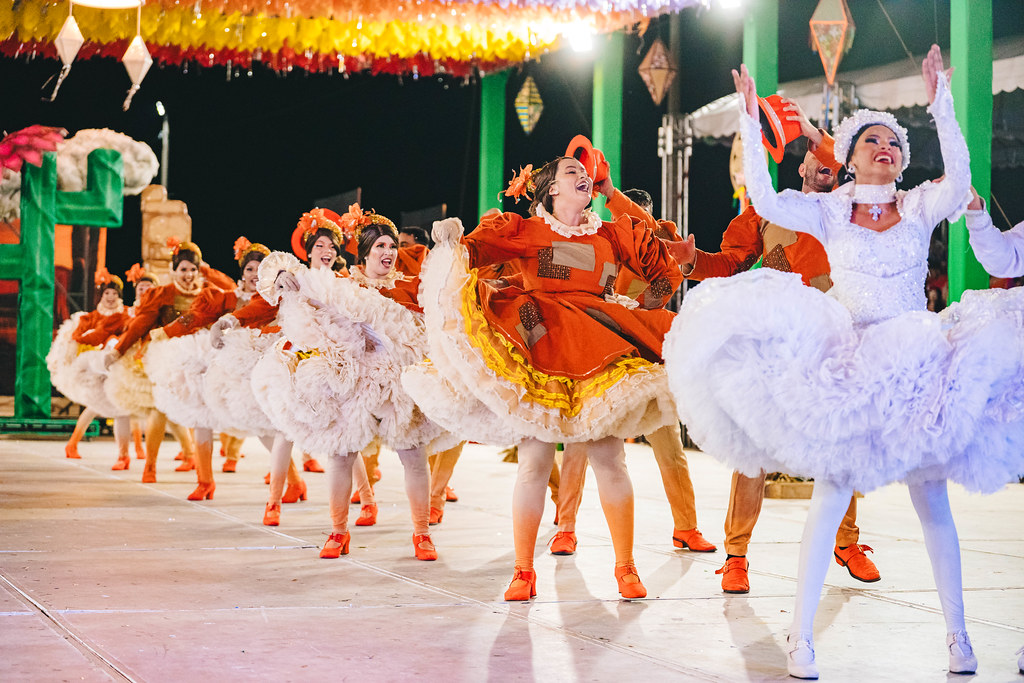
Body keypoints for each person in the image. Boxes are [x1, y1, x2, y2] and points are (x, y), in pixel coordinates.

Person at [663, 46, 1023, 678]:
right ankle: (800, 639)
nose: (885, 147)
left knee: (931, 499)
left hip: (916, 361)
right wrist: (752, 119)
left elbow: (962, 182)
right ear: (849, 154)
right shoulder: (829, 208)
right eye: (872, 140)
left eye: (894, 143)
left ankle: (959, 637)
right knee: (829, 496)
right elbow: (769, 202)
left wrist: (940, 99)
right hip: (850, 362)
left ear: (903, 160)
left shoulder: (917, 205)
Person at [404, 155, 684, 600]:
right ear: (551, 188)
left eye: (585, 174)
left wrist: (644, 307)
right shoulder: (526, 229)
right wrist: (455, 239)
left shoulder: (612, 233)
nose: (583, 177)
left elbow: (661, 264)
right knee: (534, 462)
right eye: (571, 172)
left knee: (610, 458)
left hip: (597, 339)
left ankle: (626, 567)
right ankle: (522, 572)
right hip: (541, 341)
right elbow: (475, 252)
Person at [674, 115, 880, 594]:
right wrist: (693, 262)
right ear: (801, 163)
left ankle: (847, 542)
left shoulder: (846, 213)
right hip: (773, 346)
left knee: (841, 445)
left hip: (830, 345)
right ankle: (736, 555)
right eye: (818, 159)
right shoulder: (768, 212)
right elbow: (729, 263)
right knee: (752, 450)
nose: (825, 167)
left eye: (834, 163)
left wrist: (816, 135)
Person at [252, 207, 446, 556]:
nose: (388, 252)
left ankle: (422, 534)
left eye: (391, 246)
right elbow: (309, 289)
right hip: (353, 378)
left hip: (399, 380)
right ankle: (338, 532)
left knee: (413, 456)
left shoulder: (407, 284)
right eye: (380, 247)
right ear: (366, 252)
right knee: (341, 455)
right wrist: (283, 277)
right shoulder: (344, 283)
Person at [548, 186, 716, 556]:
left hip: (647, 365)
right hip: (601, 362)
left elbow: (667, 283)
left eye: (640, 220)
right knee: (578, 446)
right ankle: (565, 527)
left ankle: (686, 527)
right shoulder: (600, 249)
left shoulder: (663, 256)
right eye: (626, 221)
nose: (633, 228)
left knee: (670, 447)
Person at [210, 211, 371, 526]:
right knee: (285, 430)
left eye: (333, 247)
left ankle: (367, 500)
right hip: (298, 361)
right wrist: (228, 320)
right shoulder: (294, 279)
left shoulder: (346, 283)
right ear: (309, 250)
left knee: (345, 432)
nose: (327, 251)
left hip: (339, 364)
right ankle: (273, 502)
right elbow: (261, 305)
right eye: (321, 245)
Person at [105, 239, 211, 483]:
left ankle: (202, 474)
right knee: (160, 409)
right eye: (183, 269)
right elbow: (139, 324)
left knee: (200, 413)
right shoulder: (163, 294)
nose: (188, 274)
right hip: (169, 359)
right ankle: (150, 466)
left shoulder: (206, 293)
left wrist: (206, 269)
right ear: (174, 270)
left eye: (192, 269)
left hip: (199, 360)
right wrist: (118, 350)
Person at [48, 269, 132, 464]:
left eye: (114, 294)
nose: (110, 297)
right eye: (107, 293)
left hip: (119, 368)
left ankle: (124, 454)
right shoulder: (91, 317)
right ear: (101, 295)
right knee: (98, 407)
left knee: (123, 408)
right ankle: (74, 443)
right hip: (97, 372)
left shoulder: (127, 315)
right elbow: (77, 337)